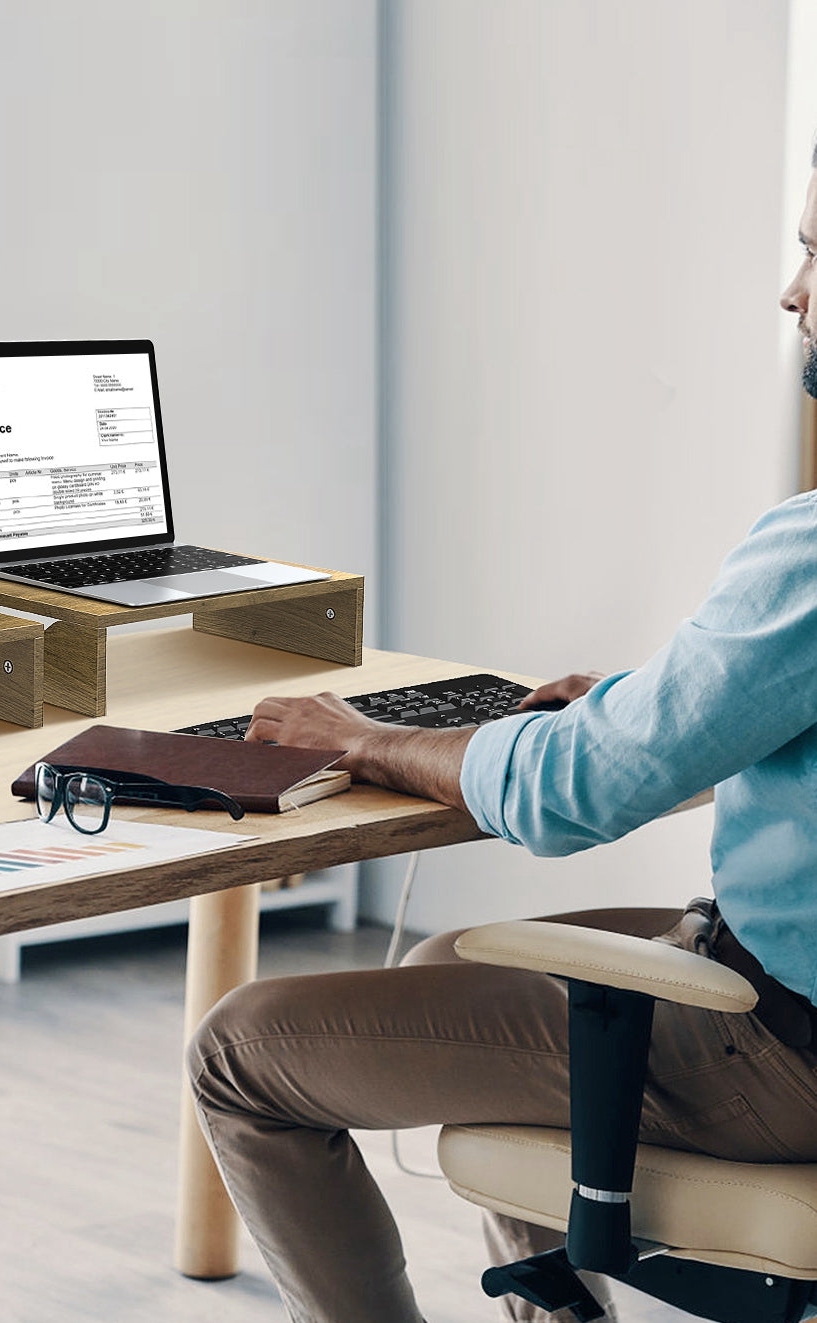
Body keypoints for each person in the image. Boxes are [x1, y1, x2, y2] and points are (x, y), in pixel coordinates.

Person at [186, 148, 817, 1323]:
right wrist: (640, 699)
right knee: (456, 966)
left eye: (815, 255)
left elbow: (577, 793)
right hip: (789, 998)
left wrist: (364, 739)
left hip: (787, 1053)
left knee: (240, 1051)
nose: (790, 293)